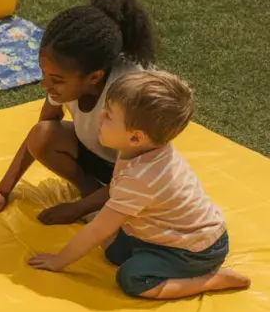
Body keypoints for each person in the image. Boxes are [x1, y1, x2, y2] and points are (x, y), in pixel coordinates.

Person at [27, 71, 250, 298]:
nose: (99, 117)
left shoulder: (140, 177)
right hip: (161, 234)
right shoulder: (142, 149)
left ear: (135, 137)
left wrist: (58, 261)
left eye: (108, 116)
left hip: (194, 250)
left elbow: (97, 231)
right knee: (114, 252)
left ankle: (208, 281)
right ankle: (160, 257)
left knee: (132, 278)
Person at [0, 0, 157, 225]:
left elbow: (137, 173)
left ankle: (100, 200)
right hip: (102, 160)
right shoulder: (70, 76)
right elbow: (41, 131)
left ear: (93, 77)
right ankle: (92, 191)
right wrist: (2, 190)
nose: (45, 84)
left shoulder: (130, 92)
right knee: (43, 135)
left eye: (56, 79)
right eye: (44, 74)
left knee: (119, 241)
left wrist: (76, 209)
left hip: (135, 173)